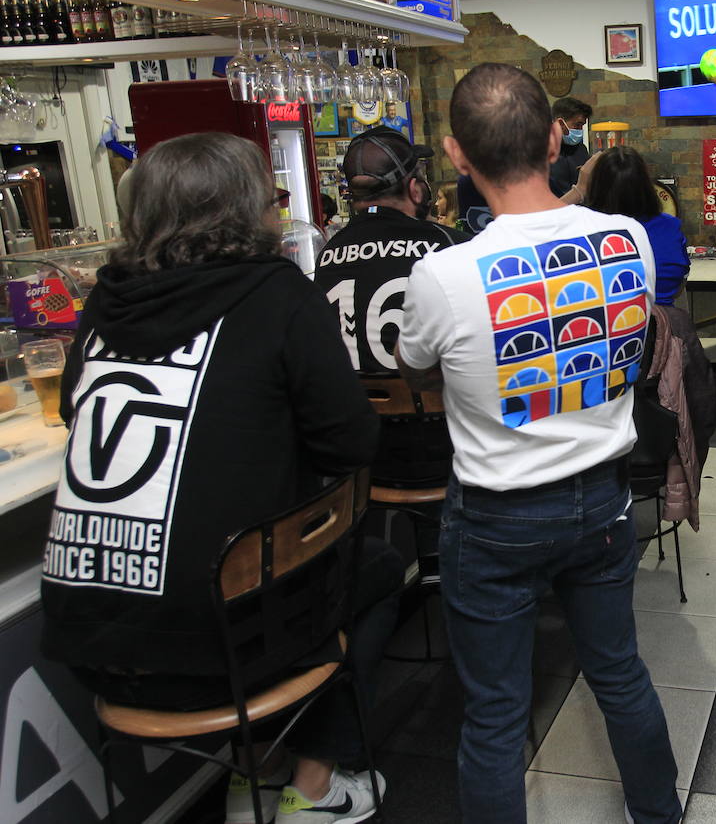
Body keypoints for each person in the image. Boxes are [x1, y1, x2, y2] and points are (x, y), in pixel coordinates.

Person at [40, 132, 400, 824]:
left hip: (87, 643)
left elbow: (71, 409)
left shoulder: (106, 302)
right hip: (220, 649)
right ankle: (312, 787)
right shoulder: (275, 293)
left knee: (254, 584)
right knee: (371, 568)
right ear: (246, 212)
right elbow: (352, 440)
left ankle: (257, 772)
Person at [395, 62, 681, 824]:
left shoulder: (443, 274)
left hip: (496, 517)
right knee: (620, 675)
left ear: (456, 155)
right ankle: (661, 816)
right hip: (605, 503)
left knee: (494, 716)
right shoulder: (628, 238)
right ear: (557, 136)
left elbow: (416, 368)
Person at [315, 125, 463, 487]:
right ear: (415, 188)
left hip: (364, 454)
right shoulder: (449, 245)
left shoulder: (327, 254)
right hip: (448, 448)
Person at [580, 145, 690, 304]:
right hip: (664, 323)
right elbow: (678, 285)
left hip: (613, 323)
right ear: (646, 184)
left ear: (597, 187)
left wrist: (578, 189)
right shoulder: (670, 226)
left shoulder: (587, 232)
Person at [548, 96, 592, 196]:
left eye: (582, 126)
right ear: (560, 123)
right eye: (577, 125)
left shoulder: (581, 150)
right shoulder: (539, 153)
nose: (580, 130)